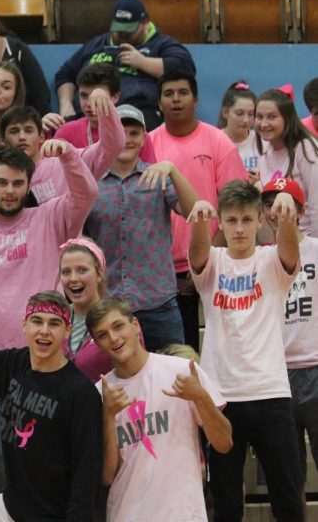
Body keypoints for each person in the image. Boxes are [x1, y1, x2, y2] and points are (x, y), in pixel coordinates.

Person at [0, 143, 98, 501]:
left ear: (28, 185)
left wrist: (67, 157)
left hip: (44, 362)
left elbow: (87, 192)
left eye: (18, 183)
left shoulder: (49, 217)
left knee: (47, 457)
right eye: (2, 182)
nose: (10, 190)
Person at [0, 255, 103, 521]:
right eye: (37, 321)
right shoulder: (14, 364)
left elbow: (87, 476)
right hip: (9, 506)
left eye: (54, 324)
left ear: (67, 330)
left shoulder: (81, 394)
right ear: (24, 325)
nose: (44, 331)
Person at [190, 179, 303, 521]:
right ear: (220, 223)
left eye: (247, 220)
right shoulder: (213, 262)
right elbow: (195, 254)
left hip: (270, 393)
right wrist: (196, 221)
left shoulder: (271, 261)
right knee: (226, 503)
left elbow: (290, 252)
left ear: (259, 220)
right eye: (232, 220)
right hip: (222, 398)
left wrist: (285, 213)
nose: (239, 228)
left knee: (287, 498)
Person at [89, 297, 232, 521]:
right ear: (97, 344)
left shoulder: (182, 370)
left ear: (135, 325)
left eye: (118, 326)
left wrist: (201, 397)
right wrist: (108, 415)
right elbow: (107, 476)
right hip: (127, 514)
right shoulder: (99, 394)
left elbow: (224, 443)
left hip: (183, 514)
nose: (114, 338)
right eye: (103, 335)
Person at [84, 104, 200, 351]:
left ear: (144, 138)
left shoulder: (158, 176)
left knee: (173, 375)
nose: (127, 139)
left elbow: (193, 211)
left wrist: (173, 170)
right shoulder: (90, 182)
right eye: (120, 131)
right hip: (108, 304)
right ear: (107, 136)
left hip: (158, 301)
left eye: (134, 133)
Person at [150, 69, 247, 351]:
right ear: (159, 103)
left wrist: (208, 260)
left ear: (196, 99)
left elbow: (235, 205)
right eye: (168, 94)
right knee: (179, 353)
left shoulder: (218, 142)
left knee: (222, 348)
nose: (176, 100)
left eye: (183, 93)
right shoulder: (148, 144)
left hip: (215, 263)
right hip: (165, 273)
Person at [55, 0, 196, 129]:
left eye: (129, 31)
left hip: (138, 115)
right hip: (88, 115)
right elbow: (65, 74)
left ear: (145, 23)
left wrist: (142, 62)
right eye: (119, 29)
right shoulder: (97, 44)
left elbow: (184, 69)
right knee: (56, 129)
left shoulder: (160, 44)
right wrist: (66, 104)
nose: (123, 35)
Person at [260, 178, 318, 491]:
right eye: (269, 204)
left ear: (300, 210)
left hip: (315, 366)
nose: (276, 211)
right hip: (277, 374)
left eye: (285, 204)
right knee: (287, 476)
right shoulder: (259, 257)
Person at [3, 87, 123, 204]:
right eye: (14, 131)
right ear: (3, 140)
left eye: (28, 130)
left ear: (41, 137)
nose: (22, 137)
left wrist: (105, 106)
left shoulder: (65, 163)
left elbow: (111, 147)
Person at [51, 63, 157, 161]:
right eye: (84, 95)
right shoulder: (66, 132)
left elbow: (149, 175)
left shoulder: (135, 134)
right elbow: (51, 173)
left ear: (115, 97)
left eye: (98, 97)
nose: (89, 103)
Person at [256, 87, 318, 237]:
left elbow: (316, 205)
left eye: (272, 117)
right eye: (259, 117)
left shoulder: (305, 149)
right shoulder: (264, 154)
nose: (264, 123)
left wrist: (312, 247)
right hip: (282, 243)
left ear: (287, 118)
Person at [59, 238, 113, 381]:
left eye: (82, 270)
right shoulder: (57, 319)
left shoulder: (117, 320)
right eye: (66, 272)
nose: (73, 279)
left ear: (99, 274)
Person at [218, 80, 259, 176]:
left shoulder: (263, 143)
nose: (246, 120)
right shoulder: (215, 142)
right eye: (239, 114)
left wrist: (259, 182)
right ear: (225, 112)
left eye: (251, 114)